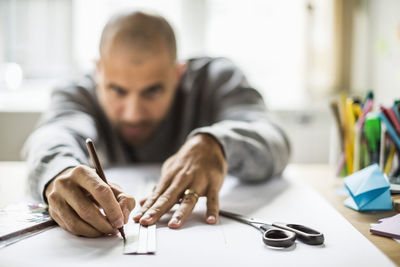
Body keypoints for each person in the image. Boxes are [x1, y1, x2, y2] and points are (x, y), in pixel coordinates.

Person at [23, 11, 290, 237]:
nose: (133, 113)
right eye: (117, 90)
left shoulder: (217, 79)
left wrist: (217, 144)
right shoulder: (77, 92)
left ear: (178, 74)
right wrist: (59, 172)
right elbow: (53, 134)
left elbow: (274, 137)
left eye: (152, 91)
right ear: (98, 72)